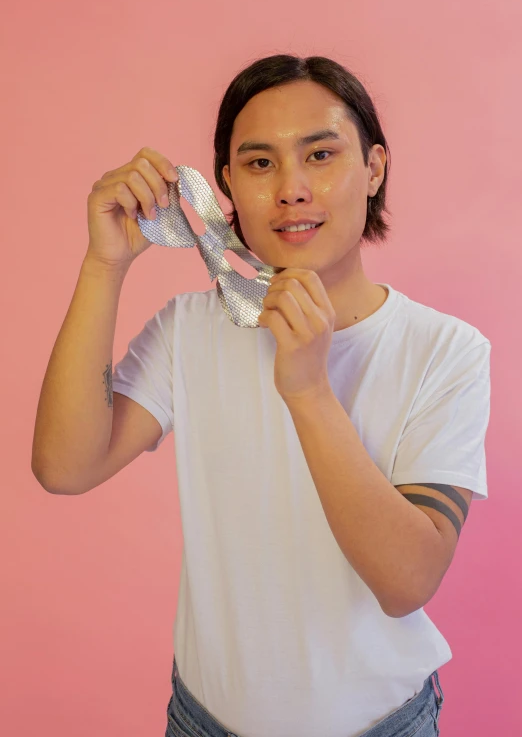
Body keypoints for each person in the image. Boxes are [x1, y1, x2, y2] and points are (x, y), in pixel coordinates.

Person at [32, 54, 491, 737]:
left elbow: (406, 581)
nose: (292, 189)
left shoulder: (447, 350)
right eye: (259, 164)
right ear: (225, 190)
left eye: (321, 154)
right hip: (203, 721)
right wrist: (105, 263)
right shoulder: (192, 328)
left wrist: (307, 387)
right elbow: (64, 466)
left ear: (374, 169)